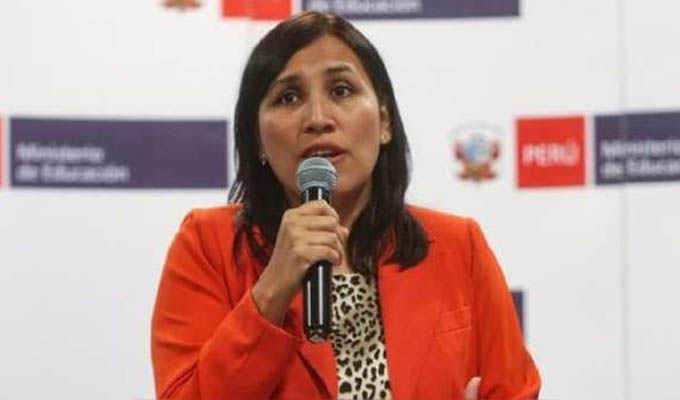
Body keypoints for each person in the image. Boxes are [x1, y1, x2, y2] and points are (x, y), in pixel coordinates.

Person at [151, 11, 540, 400]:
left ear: (385, 121)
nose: (318, 119)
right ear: (257, 140)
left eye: (341, 90)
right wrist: (271, 290)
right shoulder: (207, 245)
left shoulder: (458, 246)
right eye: (289, 97)